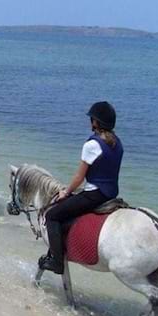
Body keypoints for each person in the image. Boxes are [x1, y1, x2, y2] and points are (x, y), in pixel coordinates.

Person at [39, 101, 123, 275]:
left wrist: (66, 192)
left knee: (52, 215)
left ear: (96, 122)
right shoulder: (118, 143)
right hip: (111, 194)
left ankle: (57, 263)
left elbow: (79, 177)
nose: (91, 121)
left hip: (94, 195)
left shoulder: (92, 145)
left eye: (92, 119)